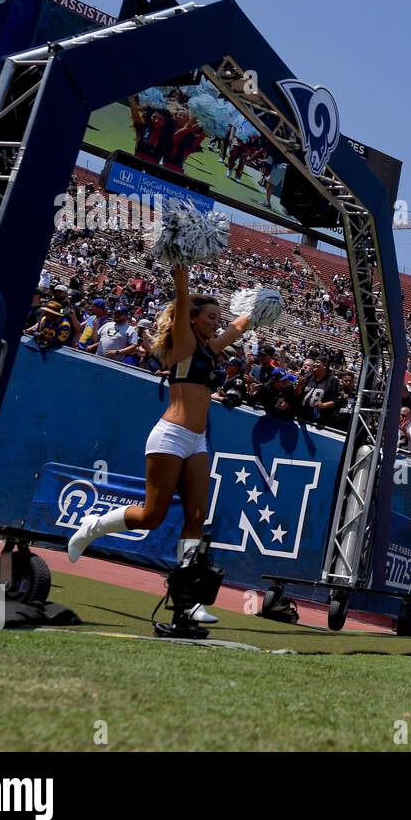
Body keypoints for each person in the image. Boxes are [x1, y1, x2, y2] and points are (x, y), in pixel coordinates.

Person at [66, 266, 255, 627]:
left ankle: (188, 601)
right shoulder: (183, 343)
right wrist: (182, 275)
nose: (217, 323)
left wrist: (261, 306)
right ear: (193, 319)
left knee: (197, 516)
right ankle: (92, 527)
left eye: (219, 317)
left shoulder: (208, 349)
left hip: (197, 439)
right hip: (170, 435)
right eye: (211, 316)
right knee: (152, 516)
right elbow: (183, 301)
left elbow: (237, 328)